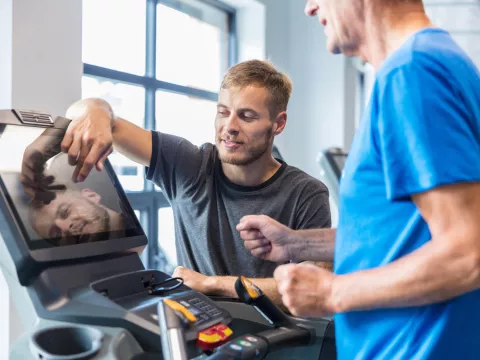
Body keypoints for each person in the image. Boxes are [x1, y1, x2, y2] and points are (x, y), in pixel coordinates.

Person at [238, 0, 480, 359]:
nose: (309, 7)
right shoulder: (437, 62)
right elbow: (404, 232)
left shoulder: (412, 73)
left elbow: (468, 251)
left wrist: (331, 293)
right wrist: (295, 244)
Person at [61, 60, 331, 304]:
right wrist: (97, 108)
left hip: (274, 340)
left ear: (278, 123)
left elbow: (315, 285)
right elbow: (80, 113)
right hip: (198, 333)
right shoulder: (190, 165)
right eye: (223, 112)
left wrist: (212, 284)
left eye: (247, 116)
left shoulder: (306, 193)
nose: (230, 126)